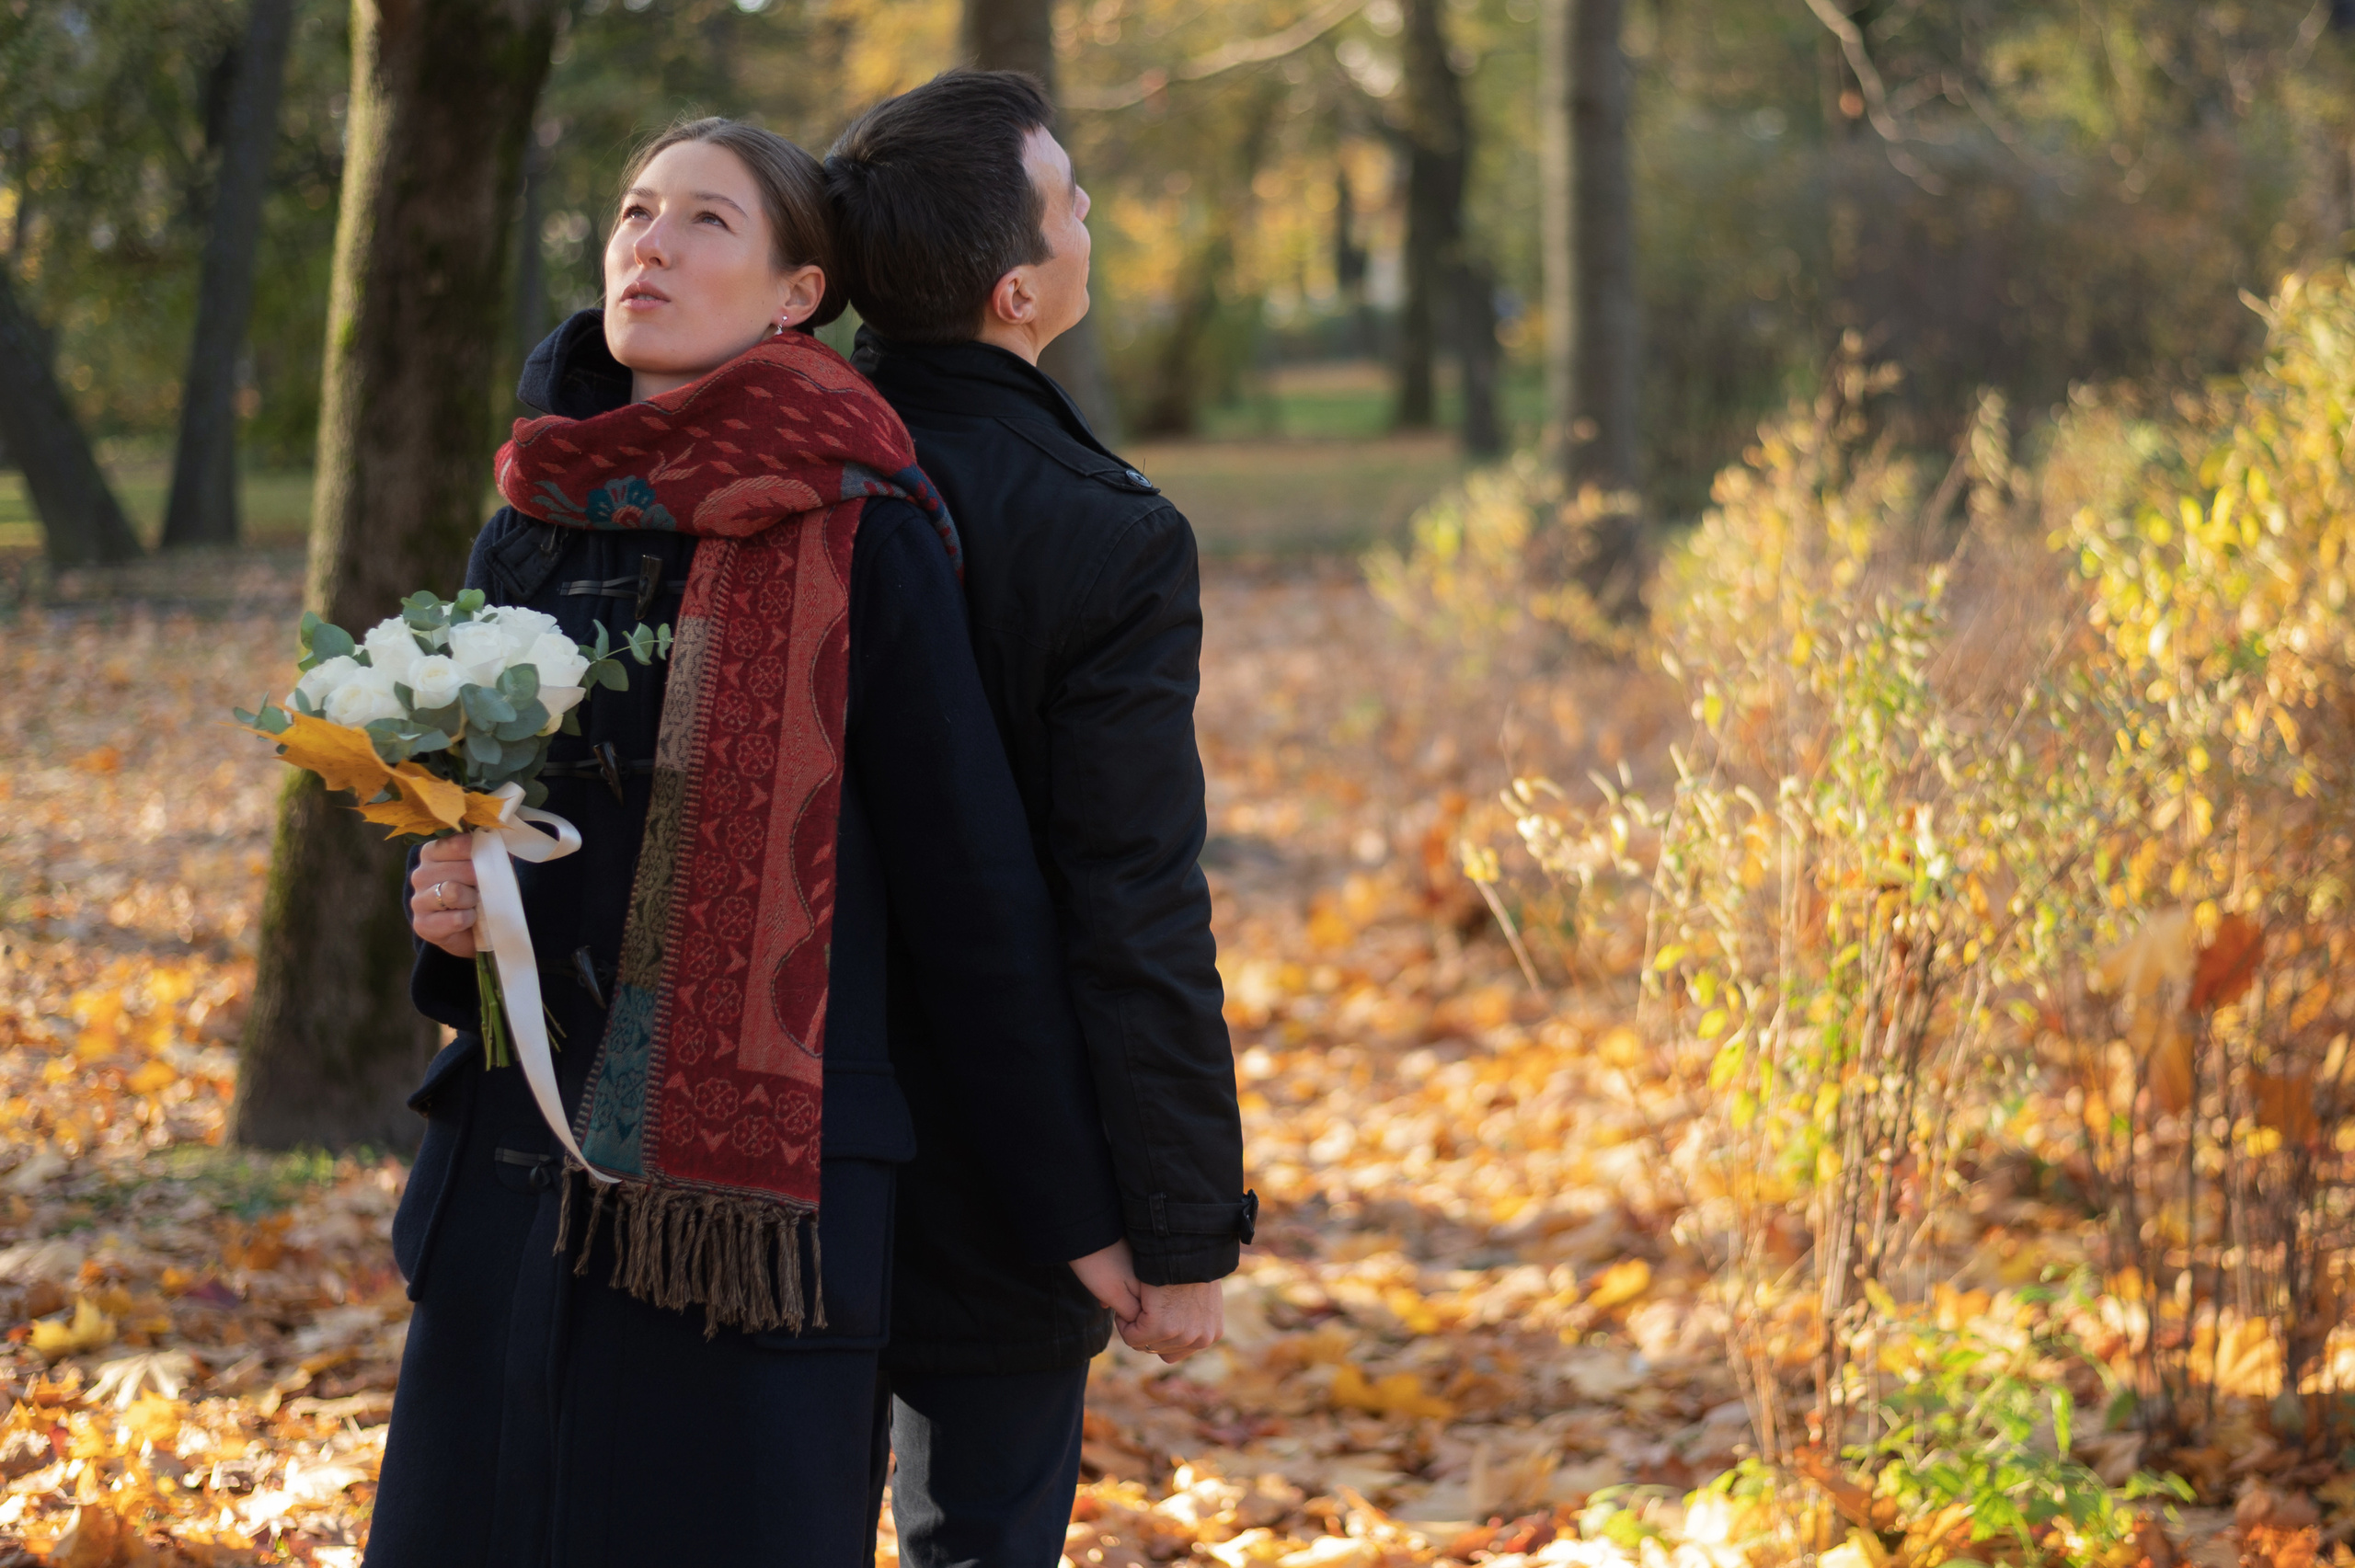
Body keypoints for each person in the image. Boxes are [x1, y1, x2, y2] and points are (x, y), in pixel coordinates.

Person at [364, 117, 1139, 1568]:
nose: (649, 244)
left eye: (706, 221)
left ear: (796, 295)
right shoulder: (528, 514)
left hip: (746, 1244)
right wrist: (448, 903)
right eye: (635, 208)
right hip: (514, 1187)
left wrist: (1084, 1215)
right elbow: (478, 839)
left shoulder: (862, 526)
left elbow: (972, 901)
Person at [826, 72, 1253, 1568]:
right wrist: (1184, 1225)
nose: (1094, 220)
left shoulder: (759, 468)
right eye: (1073, 202)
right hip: (1016, 1164)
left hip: (765, 1138)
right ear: (1019, 289)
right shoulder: (1107, 533)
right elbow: (1133, 892)